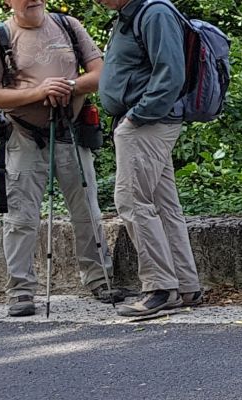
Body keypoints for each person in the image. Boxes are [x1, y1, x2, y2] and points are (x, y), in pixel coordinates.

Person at [0, 0, 130, 317]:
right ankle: (20, 291)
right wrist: (38, 92)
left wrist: (69, 85)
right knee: (20, 217)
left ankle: (100, 280)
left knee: (88, 209)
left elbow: (102, 73)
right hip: (23, 136)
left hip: (70, 132)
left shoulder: (69, 26)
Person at [97, 0, 201, 317]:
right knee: (162, 203)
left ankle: (159, 288)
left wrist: (137, 117)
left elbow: (170, 73)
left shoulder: (154, 13)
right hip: (147, 122)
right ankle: (184, 286)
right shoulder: (134, 15)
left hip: (148, 123)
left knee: (131, 200)